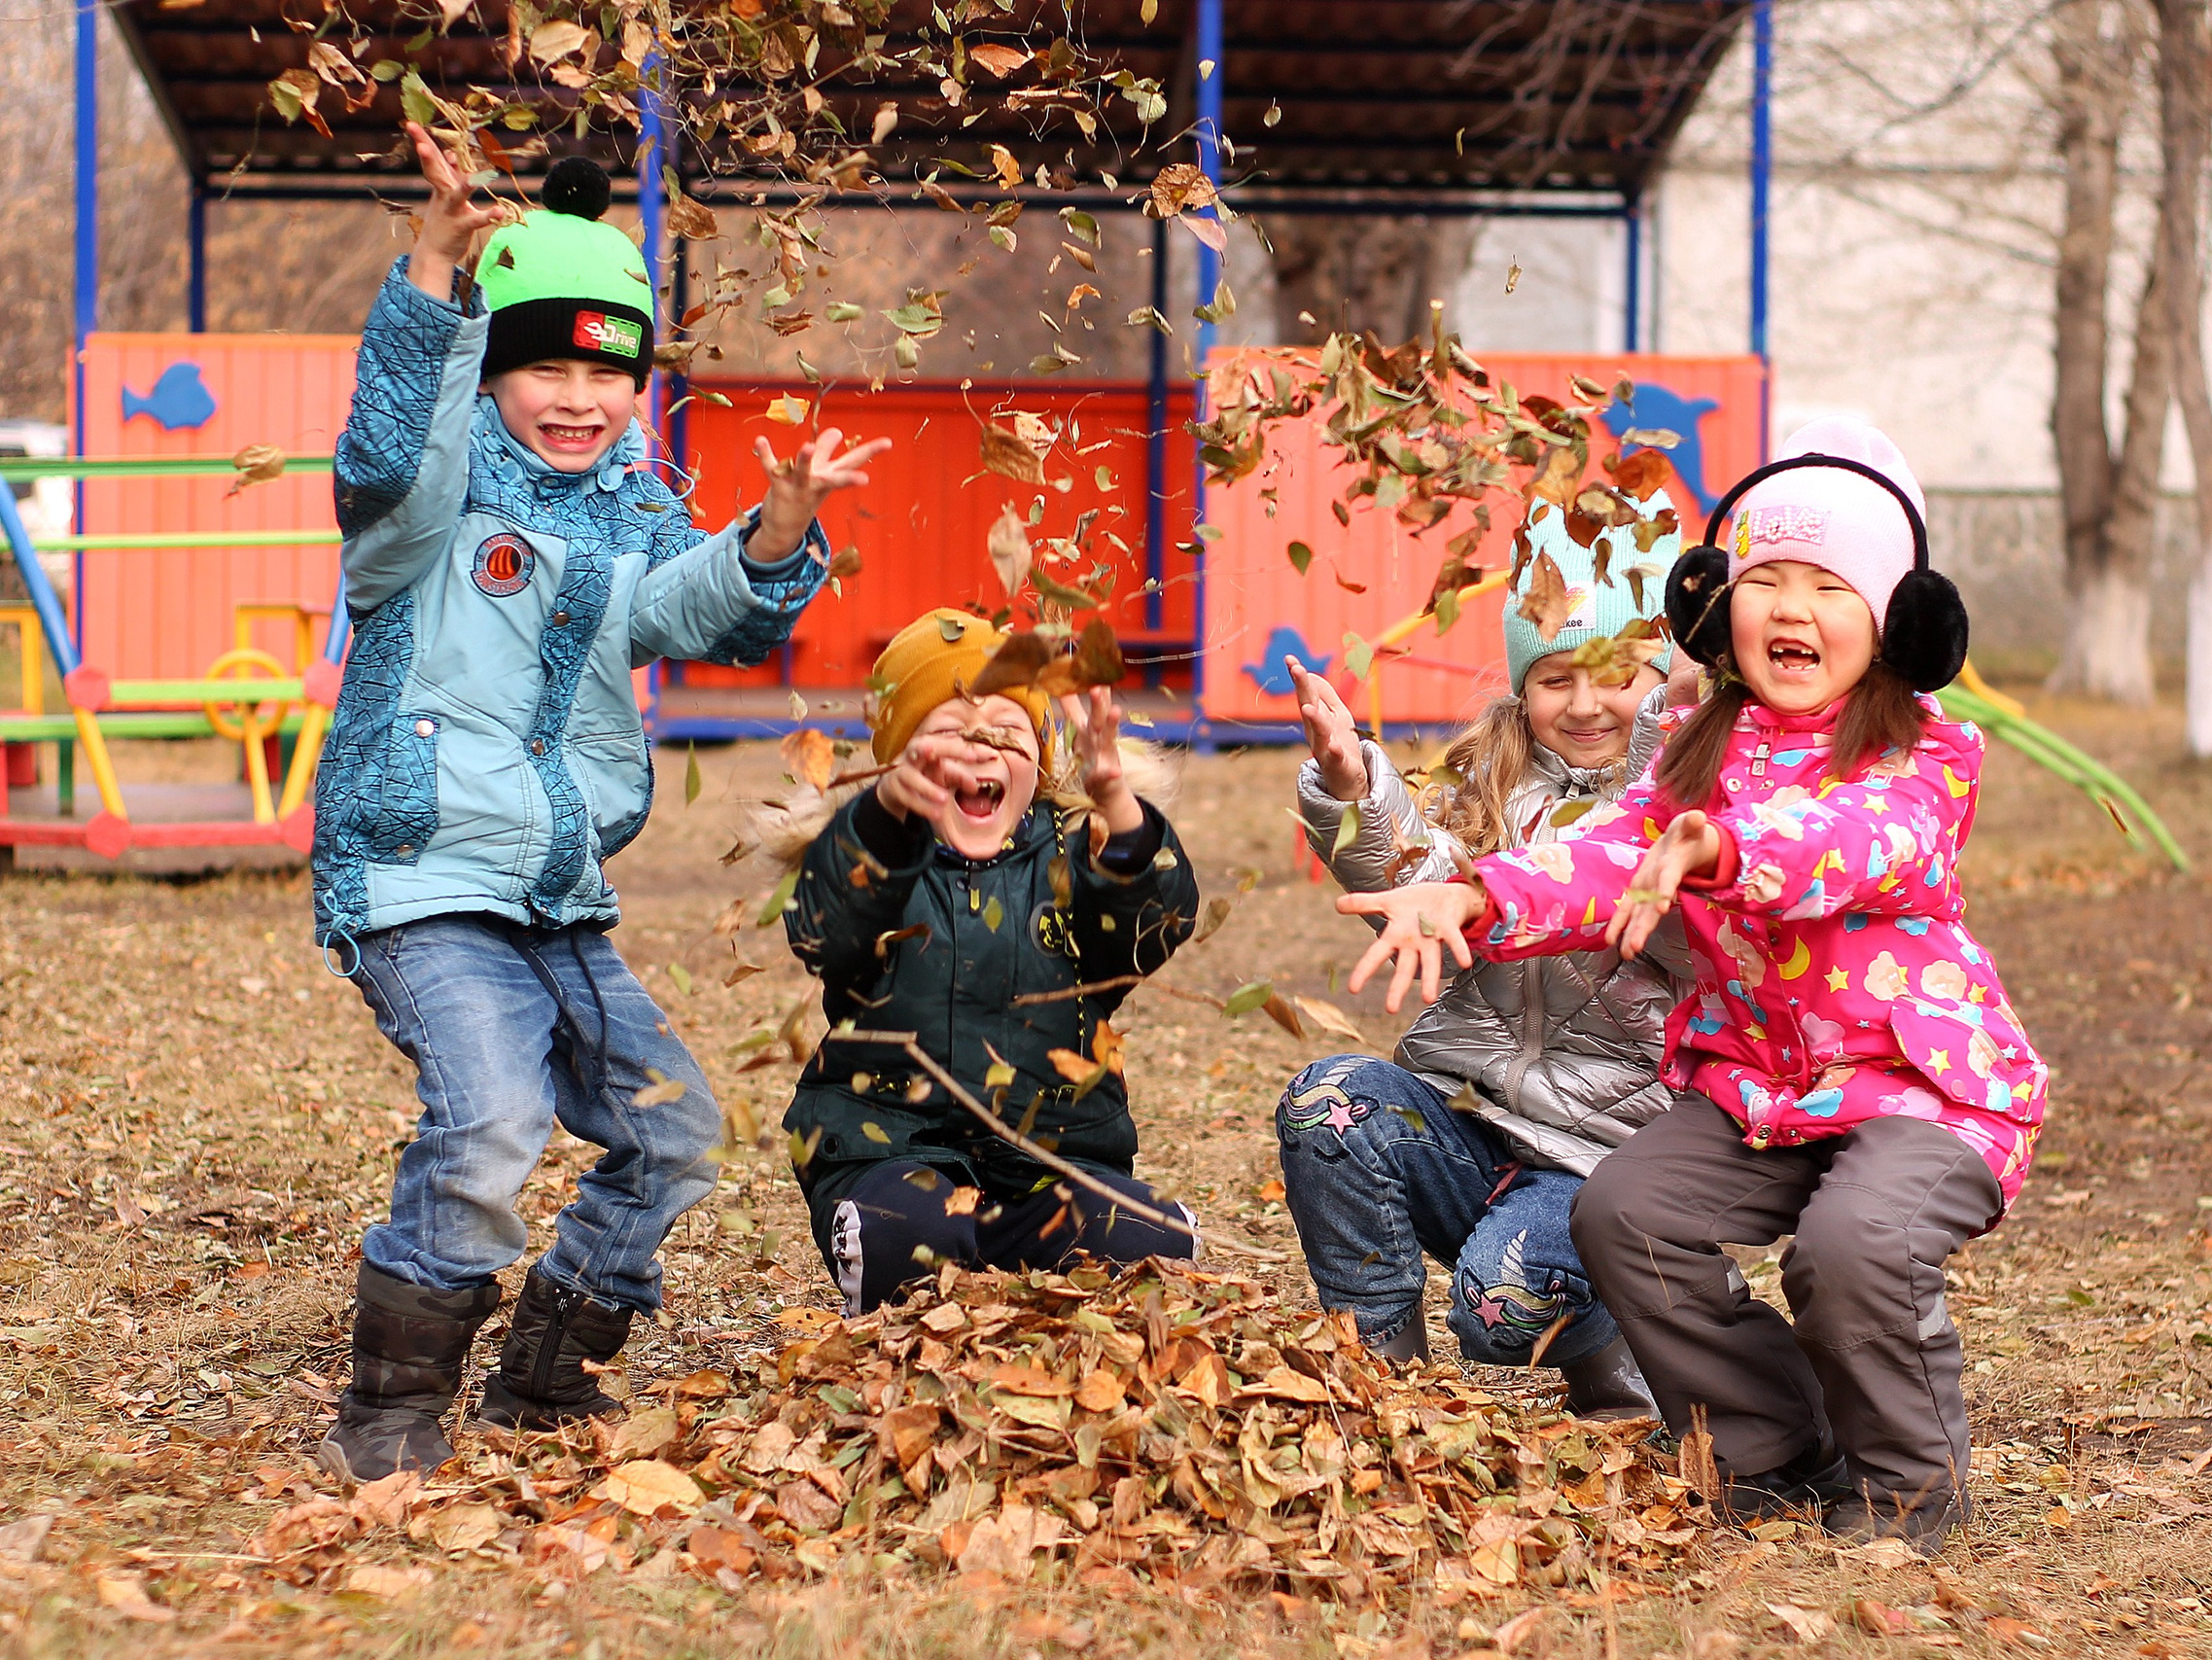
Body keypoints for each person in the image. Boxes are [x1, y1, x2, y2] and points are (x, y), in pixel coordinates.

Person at [1334, 418, 2046, 1552]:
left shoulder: (1922, 755)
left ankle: (1907, 1489)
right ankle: (1772, 1447)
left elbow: (1859, 842)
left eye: (1828, 586)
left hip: (1923, 1088)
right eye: (1768, 581)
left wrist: (1720, 852)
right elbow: (1608, 848)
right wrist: (1475, 896)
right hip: (1762, 1086)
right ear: (1717, 608)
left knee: (1850, 1249)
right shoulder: (1690, 746)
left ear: (1893, 622)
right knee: (1627, 1215)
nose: (1792, 610)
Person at [313, 124, 892, 1483]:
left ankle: (548, 1368)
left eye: (606, 371)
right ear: (494, 370)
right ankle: (391, 1402)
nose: (578, 397)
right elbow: (393, 451)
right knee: (495, 1119)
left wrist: (769, 532)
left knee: (676, 1127)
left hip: (555, 891)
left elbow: (687, 606)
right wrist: (432, 286)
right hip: (421, 872)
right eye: (545, 366)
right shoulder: (425, 510)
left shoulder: (629, 510)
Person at [1276, 486, 1692, 1420]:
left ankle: (1627, 1340)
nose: (1584, 703)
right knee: (1328, 1103)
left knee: (1501, 1305)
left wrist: (1670, 739)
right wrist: (1352, 788)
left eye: (1616, 673)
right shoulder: (1489, 782)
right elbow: (1420, 873)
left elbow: (1690, 933)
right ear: (1521, 684)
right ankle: (1379, 1382)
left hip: (1610, 1160)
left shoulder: (1689, 807)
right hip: (1476, 1122)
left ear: (1663, 672)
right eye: (1553, 677)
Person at [763, 610, 1200, 1310]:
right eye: (945, 735)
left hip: (1055, 1158)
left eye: (1004, 731)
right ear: (898, 762)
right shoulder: (871, 858)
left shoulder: (1073, 852)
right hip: (894, 1152)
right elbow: (824, 929)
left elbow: (1154, 927)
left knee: (1137, 1237)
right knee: (908, 1229)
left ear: (1044, 756)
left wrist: (1118, 805)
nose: (978, 749)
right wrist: (881, 819)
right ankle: (891, 1279)